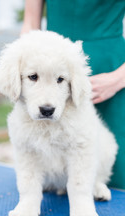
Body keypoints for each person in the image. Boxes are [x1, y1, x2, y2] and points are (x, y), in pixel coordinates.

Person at [21, 0, 125, 189]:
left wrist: (118, 79)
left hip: (113, 70)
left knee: (118, 171)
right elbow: (30, 24)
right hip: (52, 66)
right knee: (46, 173)